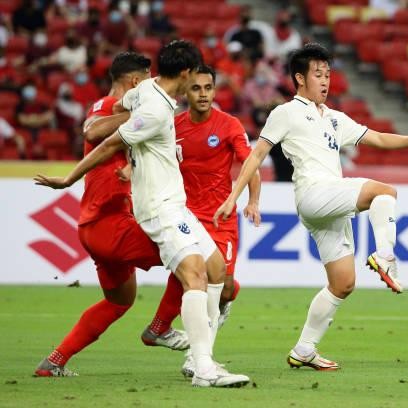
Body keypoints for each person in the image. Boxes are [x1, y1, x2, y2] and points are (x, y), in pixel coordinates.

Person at [34, 40, 250, 387]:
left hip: (175, 204)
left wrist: (121, 115)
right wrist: (68, 179)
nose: (197, 86)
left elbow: (119, 103)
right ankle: (202, 367)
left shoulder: (145, 90)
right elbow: (108, 143)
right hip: (159, 209)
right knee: (193, 274)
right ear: (184, 73)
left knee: (215, 269)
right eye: (194, 77)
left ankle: (198, 354)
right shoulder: (156, 112)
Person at [213, 43, 408, 370]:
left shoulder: (334, 118)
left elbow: (376, 137)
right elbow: (257, 154)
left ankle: (304, 349)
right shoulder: (286, 112)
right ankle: (385, 255)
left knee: (343, 283)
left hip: (329, 203)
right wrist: (239, 197)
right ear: (299, 78)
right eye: (318, 74)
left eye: (328, 74)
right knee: (384, 192)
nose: (325, 81)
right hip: (313, 193)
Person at [33, 52, 189, 378]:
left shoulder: (133, 118)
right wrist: (147, 112)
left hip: (97, 225)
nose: (154, 88)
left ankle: (54, 362)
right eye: (150, 81)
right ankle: (160, 328)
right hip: (110, 224)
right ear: (136, 82)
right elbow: (92, 133)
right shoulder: (107, 106)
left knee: (120, 300)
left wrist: (133, 170)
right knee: (193, 257)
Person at [170, 64, 262, 377]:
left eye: (208, 88)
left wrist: (251, 200)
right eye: (196, 88)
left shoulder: (228, 125)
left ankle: (200, 348)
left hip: (221, 218)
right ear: (184, 92)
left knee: (222, 287)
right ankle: (199, 357)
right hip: (184, 218)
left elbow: (250, 163)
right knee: (196, 283)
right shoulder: (173, 127)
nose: (204, 94)